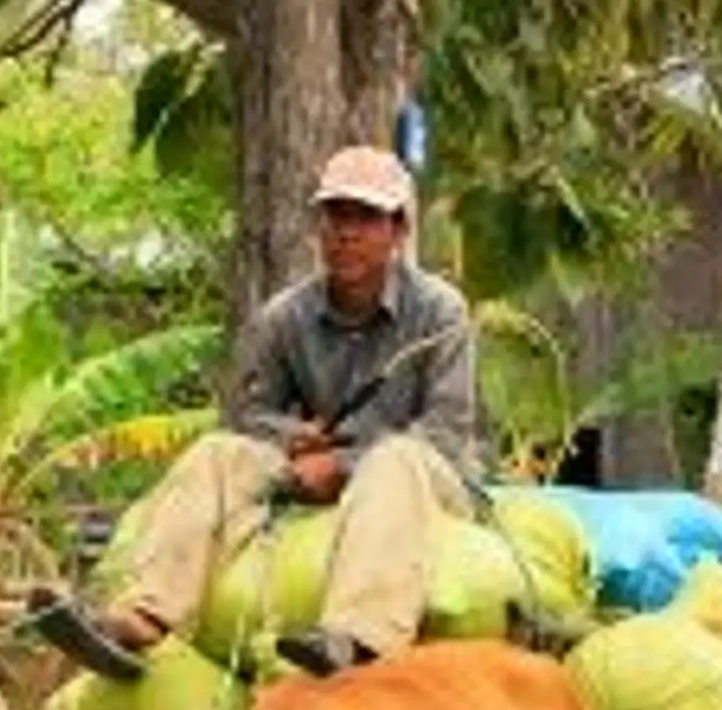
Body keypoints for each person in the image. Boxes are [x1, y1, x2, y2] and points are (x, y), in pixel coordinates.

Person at [28, 143, 482, 681]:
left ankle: (356, 637)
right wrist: (293, 437)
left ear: (398, 230)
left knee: (395, 460)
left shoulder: (440, 311)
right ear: (319, 227)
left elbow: (446, 432)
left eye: (366, 217)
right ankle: (144, 615)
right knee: (217, 454)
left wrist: (344, 464)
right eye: (335, 216)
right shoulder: (286, 316)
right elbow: (250, 414)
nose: (347, 233)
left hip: (420, 477)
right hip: (313, 467)